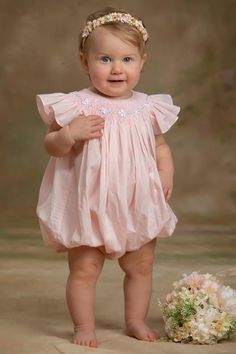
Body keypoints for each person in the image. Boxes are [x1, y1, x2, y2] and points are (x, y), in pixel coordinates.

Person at [36, 7, 180, 348]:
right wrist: (69, 134)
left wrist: (165, 171)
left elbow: (160, 147)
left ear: (142, 62)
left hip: (135, 202)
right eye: (105, 59)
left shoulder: (147, 107)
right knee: (84, 270)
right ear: (85, 62)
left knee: (141, 267)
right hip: (89, 204)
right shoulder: (75, 106)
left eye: (127, 59)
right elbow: (51, 146)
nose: (117, 68)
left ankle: (134, 320)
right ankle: (83, 326)